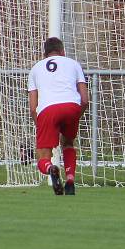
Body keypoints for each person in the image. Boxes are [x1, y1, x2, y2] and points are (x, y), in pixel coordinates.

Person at [28, 37, 89, 196]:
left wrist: (40, 125)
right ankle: (70, 181)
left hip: (47, 110)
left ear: (44, 54)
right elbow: (84, 99)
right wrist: (76, 115)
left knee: (43, 154)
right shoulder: (74, 64)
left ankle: (51, 168)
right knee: (68, 143)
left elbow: (33, 108)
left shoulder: (35, 69)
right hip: (71, 106)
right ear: (63, 52)